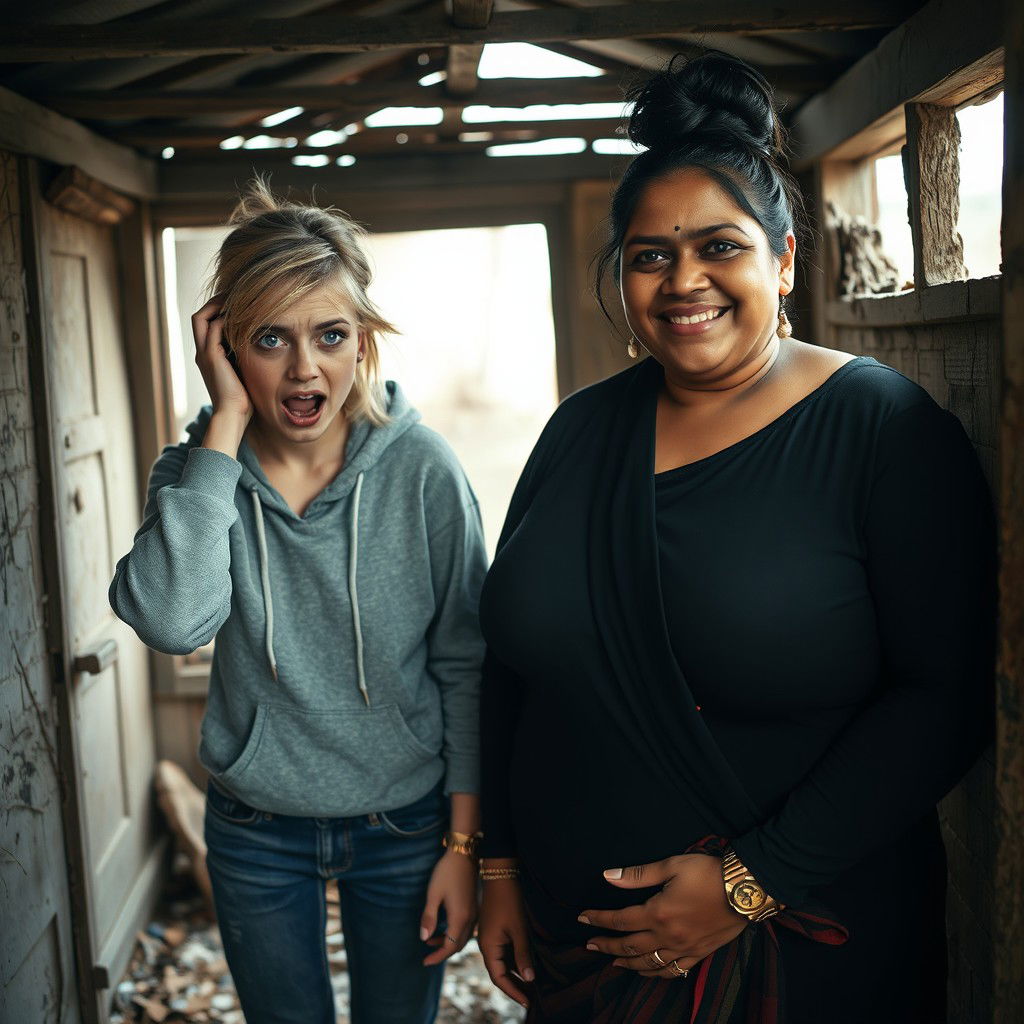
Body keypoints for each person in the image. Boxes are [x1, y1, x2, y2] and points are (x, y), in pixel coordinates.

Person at [476, 52, 995, 1024]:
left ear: (785, 259)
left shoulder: (879, 430)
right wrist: (495, 860)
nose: (684, 281)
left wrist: (748, 882)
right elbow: (511, 661)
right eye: (649, 255)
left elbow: (943, 699)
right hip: (575, 947)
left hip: (798, 951)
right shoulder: (581, 430)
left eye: (720, 247)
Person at [110, 180, 487, 1024]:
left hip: (403, 822)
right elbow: (172, 623)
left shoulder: (423, 470)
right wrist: (226, 423)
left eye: (331, 335)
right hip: (256, 826)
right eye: (270, 338)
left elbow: (467, 663)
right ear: (227, 346)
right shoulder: (198, 476)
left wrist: (465, 846)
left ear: (364, 343)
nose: (304, 367)